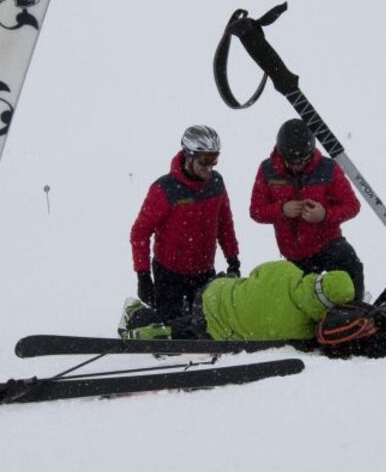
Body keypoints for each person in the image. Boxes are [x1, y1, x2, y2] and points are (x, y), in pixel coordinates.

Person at [129, 124, 241, 320]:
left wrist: (233, 259)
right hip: (169, 274)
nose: (209, 168)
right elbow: (140, 232)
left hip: (203, 272)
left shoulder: (216, 183)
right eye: (204, 161)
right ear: (188, 156)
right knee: (172, 335)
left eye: (214, 160)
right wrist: (143, 275)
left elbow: (224, 224)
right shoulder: (164, 189)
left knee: (205, 330)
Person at [250, 118, 365, 298]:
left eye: (301, 160)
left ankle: (358, 310)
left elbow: (352, 206)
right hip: (294, 254)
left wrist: (324, 214)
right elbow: (256, 211)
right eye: (290, 161)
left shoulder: (328, 168)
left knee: (352, 266)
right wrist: (282, 210)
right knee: (302, 302)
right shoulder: (267, 170)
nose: (296, 166)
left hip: (327, 244)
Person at [120, 260, 357, 341]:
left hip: (215, 291)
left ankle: (136, 313)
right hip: (216, 327)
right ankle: (141, 327)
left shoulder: (287, 270)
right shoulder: (305, 330)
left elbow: (256, 273)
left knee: (187, 312)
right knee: (181, 327)